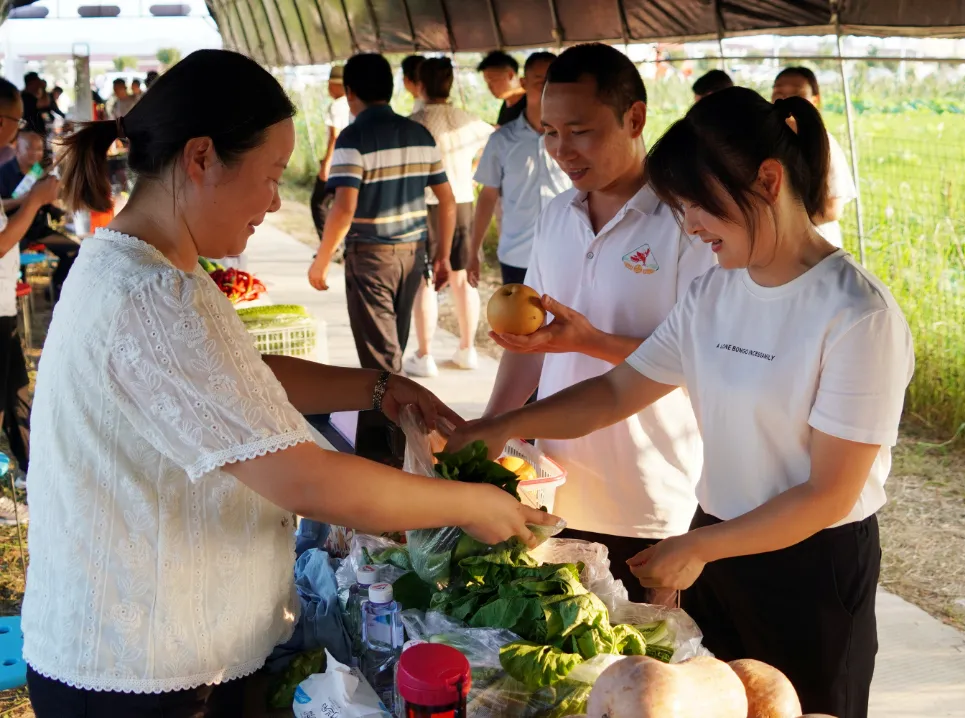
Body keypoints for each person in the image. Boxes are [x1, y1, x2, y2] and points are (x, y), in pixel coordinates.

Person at [22, 50, 553, 718]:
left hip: (148, 660)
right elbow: (305, 480)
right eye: (271, 175)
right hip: (142, 679)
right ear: (201, 159)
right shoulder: (152, 291)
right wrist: (468, 503)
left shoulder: (143, 264)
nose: (277, 199)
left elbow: (238, 377)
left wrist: (377, 385)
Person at [449, 86, 914, 718]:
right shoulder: (713, 294)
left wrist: (698, 550)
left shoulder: (856, 315)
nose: (691, 227)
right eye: (681, 209)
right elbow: (618, 389)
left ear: (769, 181)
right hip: (716, 543)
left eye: (699, 207)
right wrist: (506, 425)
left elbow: (828, 493)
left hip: (810, 568)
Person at [470, 44, 713, 604]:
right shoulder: (558, 216)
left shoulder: (686, 220)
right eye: (550, 131)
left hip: (650, 494)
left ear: (635, 118)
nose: (560, 150)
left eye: (579, 131)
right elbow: (530, 347)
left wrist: (590, 342)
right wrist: (491, 430)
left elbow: (698, 357)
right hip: (555, 485)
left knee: (645, 671)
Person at [308, 53, 456, 465]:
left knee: (380, 368)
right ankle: (403, 452)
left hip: (371, 258)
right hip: (413, 255)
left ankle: (395, 460)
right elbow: (446, 199)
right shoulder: (420, 135)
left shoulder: (352, 139)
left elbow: (342, 208)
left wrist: (322, 260)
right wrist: (442, 254)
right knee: (392, 355)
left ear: (351, 93)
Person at [406, 57, 494, 377]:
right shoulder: (468, 119)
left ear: (420, 85)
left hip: (425, 205)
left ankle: (425, 355)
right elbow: (492, 141)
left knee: (425, 281)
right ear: (450, 84)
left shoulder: (413, 123)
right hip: (464, 202)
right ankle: (467, 350)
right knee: (461, 278)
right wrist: (471, 172)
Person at [469, 51, 568, 288]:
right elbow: (487, 195)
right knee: (517, 324)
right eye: (539, 81)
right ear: (523, 83)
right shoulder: (502, 140)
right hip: (517, 255)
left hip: (568, 254)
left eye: (553, 81)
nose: (547, 88)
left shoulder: (575, 137)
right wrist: (474, 249)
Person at [0, 81, 59, 474]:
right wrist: (35, 201)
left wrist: (24, 200)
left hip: (4, 300)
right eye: (15, 119)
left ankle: (31, 473)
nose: (17, 129)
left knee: (17, 392)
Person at [772, 66, 857, 248]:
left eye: (796, 95)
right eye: (779, 94)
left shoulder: (823, 143)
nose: (786, 100)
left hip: (813, 246)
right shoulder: (764, 139)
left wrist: (777, 229)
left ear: (815, 100)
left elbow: (831, 209)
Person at [0, 131, 80, 299]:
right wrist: (24, 200)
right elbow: (3, 206)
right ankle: (16, 299)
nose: (36, 153)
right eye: (30, 149)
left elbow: (52, 204)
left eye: (39, 149)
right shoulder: (3, 173)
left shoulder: (41, 172)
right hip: (13, 230)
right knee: (11, 261)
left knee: (75, 251)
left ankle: (54, 290)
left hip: (39, 228)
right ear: (17, 150)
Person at [310, 65, 351, 239]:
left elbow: (334, 136)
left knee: (318, 203)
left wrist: (326, 164)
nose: (328, 88)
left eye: (329, 84)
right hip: (350, 163)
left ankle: (328, 243)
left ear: (336, 85)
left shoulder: (336, 106)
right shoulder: (352, 104)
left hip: (336, 164)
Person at [477, 50, 525, 127]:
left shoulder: (531, 105)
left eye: (493, 81)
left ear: (510, 75)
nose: (489, 87)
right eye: (487, 83)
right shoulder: (507, 102)